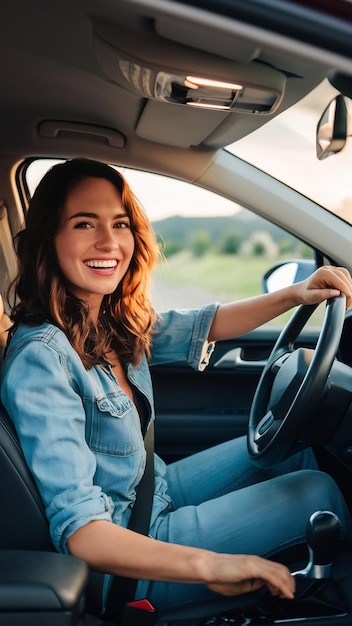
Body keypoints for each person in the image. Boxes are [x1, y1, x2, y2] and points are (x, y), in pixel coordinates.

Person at [1, 158, 352, 616]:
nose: (108, 242)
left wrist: (296, 293)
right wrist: (209, 566)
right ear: (49, 239)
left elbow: (207, 324)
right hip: (126, 556)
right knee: (318, 492)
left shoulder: (105, 321)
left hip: (154, 492)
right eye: (84, 223)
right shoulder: (41, 359)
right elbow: (83, 532)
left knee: (298, 452)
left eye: (119, 223)